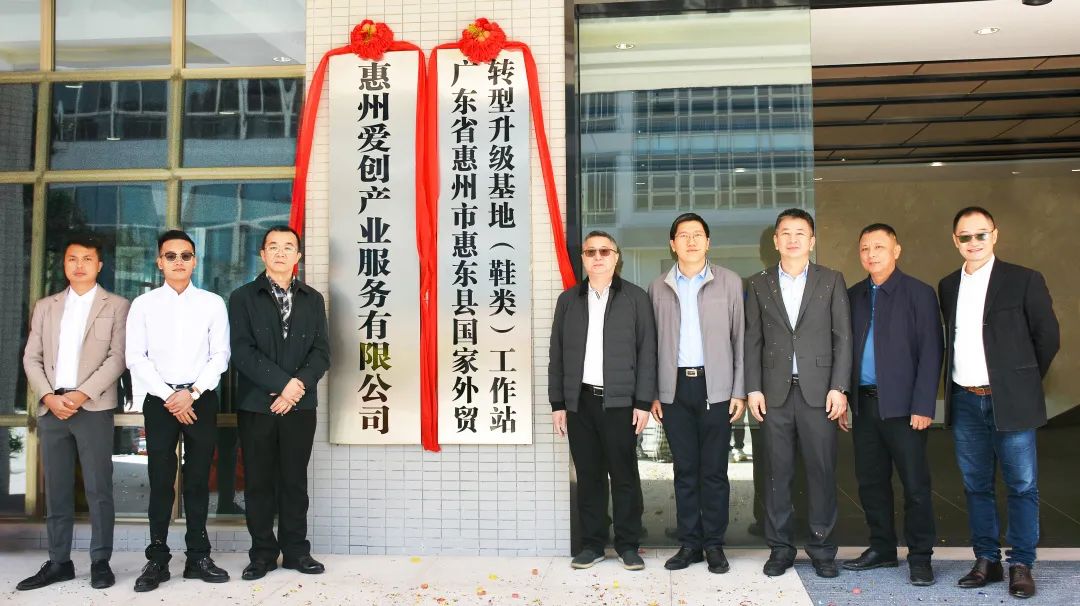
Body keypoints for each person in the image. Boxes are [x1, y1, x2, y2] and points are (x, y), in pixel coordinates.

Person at [939, 206, 1059, 600]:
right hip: (965, 400)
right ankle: (986, 560)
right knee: (976, 486)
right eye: (965, 236)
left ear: (995, 235)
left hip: (1011, 401)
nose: (973, 242)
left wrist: (1019, 381)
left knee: (1022, 485)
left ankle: (1021, 563)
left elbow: (1047, 337)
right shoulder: (948, 286)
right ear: (955, 240)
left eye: (981, 234)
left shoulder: (1024, 279)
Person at [744, 208, 851, 579]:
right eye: (785, 233)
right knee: (777, 473)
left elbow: (843, 337)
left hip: (819, 393)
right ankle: (780, 548)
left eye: (800, 232)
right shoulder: (758, 283)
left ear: (812, 240)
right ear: (775, 241)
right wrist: (753, 388)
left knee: (821, 471)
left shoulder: (831, 280)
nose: (792, 239)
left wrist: (839, 387)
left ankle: (822, 549)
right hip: (774, 393)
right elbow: (752, 339)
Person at [18, 234, 129, 591]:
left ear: (99, 265)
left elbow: (118, 358)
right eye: (72, 259)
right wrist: (48, 396)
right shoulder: (45, 306)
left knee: (99, 489)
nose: (79, 265)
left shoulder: (117, 305)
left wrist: (81, 395)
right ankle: (59, 562)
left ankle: (100, 561)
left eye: (87, 259)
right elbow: (31, 357)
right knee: (57, 490)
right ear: (64, 264)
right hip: (52, 409)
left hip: (93, 407)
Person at [126, 230, 231, 592]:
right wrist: (171, 396)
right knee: (160, 480)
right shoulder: (143, 304)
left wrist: (193, 392)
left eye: (185, 255)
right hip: (160, 401)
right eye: (170, 256)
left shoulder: (212, 303)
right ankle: (157, 559)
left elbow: (220, 356)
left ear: (195, 261)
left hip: (200, 398)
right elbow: (135, 357)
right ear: (160, 262)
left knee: (198, 480)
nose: (178, 261)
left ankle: (198, 556)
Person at [549, 231, 656, 571]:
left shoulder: (635, 298)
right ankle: (593, 544)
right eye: (590, 252)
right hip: (580, 402)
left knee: (624, 475)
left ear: (616, 257)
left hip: (620, 403)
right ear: (582, 258)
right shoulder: (569, 301)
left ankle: (628, 544)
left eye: (604, 251)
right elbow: (557, 355)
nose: (597, 257)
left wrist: (643, 402)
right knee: (589, 475)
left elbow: (648, 353)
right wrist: (558, 404)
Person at [841, 224, 942, 586]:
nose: (871, 254)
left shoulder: (919, 293)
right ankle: (882, 548)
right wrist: (845, 399)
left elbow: (932, 351)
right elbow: (843, 351)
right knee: (871, 483)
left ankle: (920, 557)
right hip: (865, 406)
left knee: (915, 485)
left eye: (879, 247)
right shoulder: (853, 295)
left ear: (896, 250)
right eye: (865, 248)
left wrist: (924, 404)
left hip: (905, 409)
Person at [229, 226, 330, 580]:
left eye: (288, 247)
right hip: (258, 406)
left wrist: (295, 388)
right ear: (262, 254)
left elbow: (321, 352)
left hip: (299, 406)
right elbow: (242, 351)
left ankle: (296, 551)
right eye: (273, 246)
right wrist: (282, 385)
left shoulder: (312, 299)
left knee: (294, 482)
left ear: (298, 256)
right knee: (258, 482)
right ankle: (262, 554)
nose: (281, 252)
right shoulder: (242, 297)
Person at [648, 213, 745, 574]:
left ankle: (714, 544)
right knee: (685, 469)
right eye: (683, 235)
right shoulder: (657, 287)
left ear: (708, 242)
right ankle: (690, 543)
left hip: (716, 387)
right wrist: (654, 392)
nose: (691, 241)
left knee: (715, 471)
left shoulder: (729, 282)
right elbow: (650, 345)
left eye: (697, 235)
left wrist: (739, 390)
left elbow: (741, 338)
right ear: (672, 243)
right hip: (674, 389)